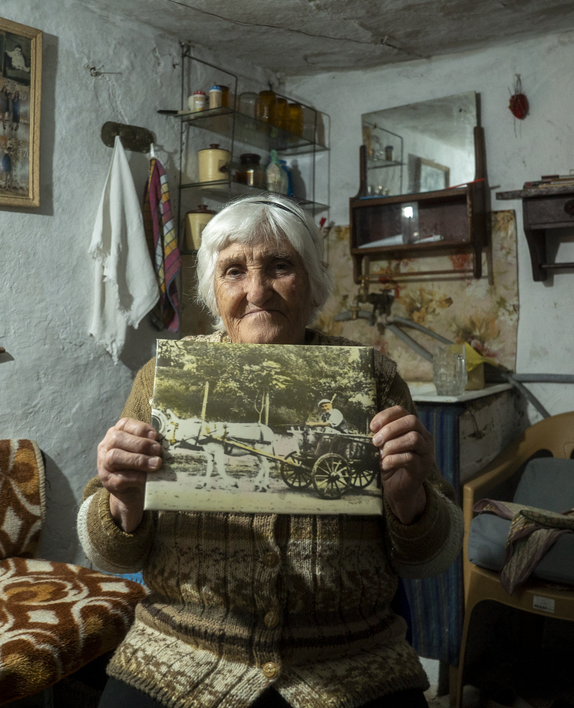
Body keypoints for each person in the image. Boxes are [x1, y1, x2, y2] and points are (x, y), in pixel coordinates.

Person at [80, 194, 462, 708]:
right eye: (234, 271)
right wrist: (122, 500)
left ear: (313, 283)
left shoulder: (371, 379)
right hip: (181, 649)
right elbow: (110, 554)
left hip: (351, 658)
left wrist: (409, 498)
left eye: (280, 266)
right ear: (214, 291)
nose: (256, 291)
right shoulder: (163, 379)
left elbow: (431, 558)